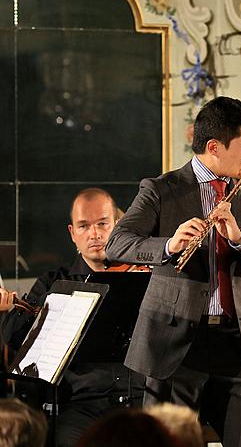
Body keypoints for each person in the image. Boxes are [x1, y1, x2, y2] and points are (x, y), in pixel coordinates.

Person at [105, 96, 241, 447]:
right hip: (175, 343)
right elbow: (117, 244)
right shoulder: (161, 189)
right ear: (215, 147)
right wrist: (169, 245)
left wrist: (240, 236)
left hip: (236, 343)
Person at [0, 188, 145, 447]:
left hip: (141, 399)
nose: (95, 234)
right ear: (72, 234)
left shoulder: (145, 277)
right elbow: (14, 337)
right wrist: (4, 311)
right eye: (84, 226)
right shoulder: (55, 283)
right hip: (81, 404)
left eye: (103, 224)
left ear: (118, 225)